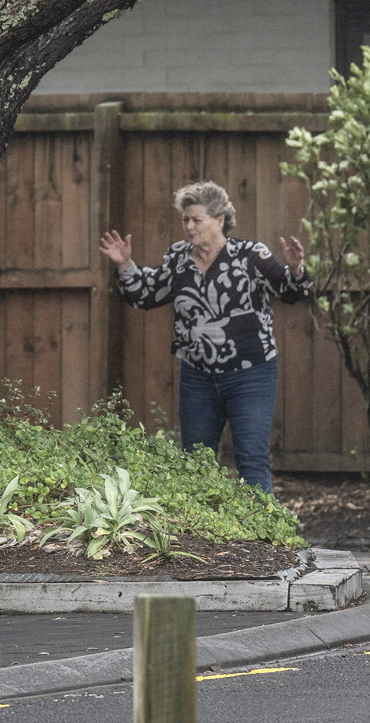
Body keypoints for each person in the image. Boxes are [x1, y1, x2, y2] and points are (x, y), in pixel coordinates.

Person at [98, 180, 310, 494]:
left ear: (220, 220)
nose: (189, 226)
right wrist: (126, 265)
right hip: (197, 375)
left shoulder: (249, 255)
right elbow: (146, 294)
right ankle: (201, 537)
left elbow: (290, 291)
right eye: (185, 219)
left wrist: (295, 269)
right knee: (196, 462)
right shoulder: (178, 258)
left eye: (197, 219)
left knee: (251, 458)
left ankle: (264, 538)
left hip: (251, 373)